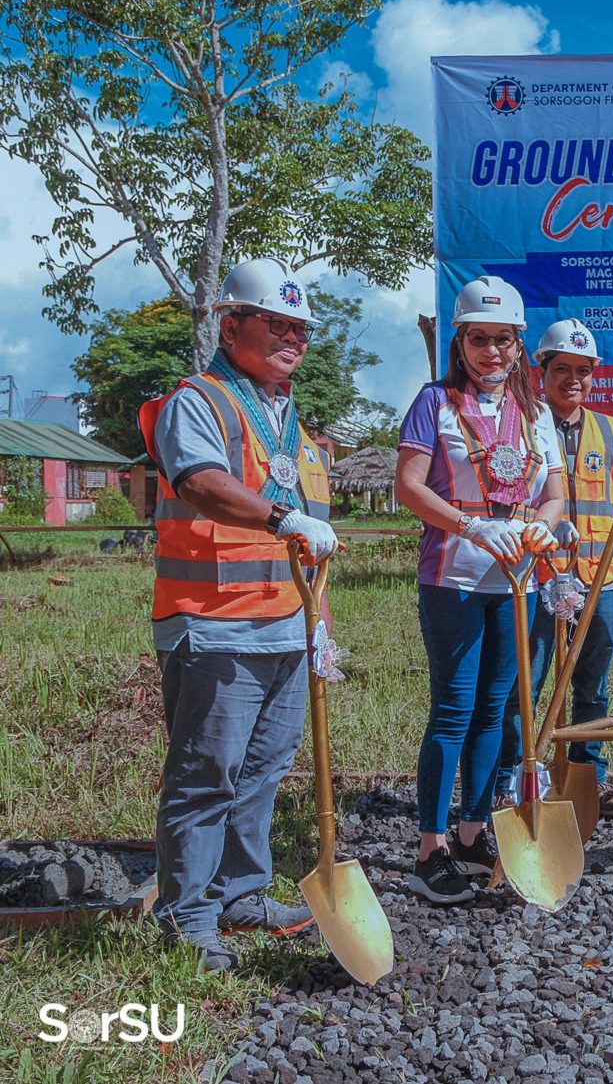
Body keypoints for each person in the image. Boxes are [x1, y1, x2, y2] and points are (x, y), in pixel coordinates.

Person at [139, 258, 340, 971]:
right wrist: (284, 515)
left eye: (300, 328)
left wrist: (321, 623)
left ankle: (239, 893)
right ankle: (187, 913)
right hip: (214, 621)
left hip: (286, 624)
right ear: (232, 326)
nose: (291, 337)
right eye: (275, 323)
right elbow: (202, 483)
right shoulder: (200, 401)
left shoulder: (296, 427)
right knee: (206, 772)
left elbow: (310, 543)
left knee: (261, 773)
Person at [395, 275, 565, 905]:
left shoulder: (537, 413)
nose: (492, 351)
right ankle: (430, 849)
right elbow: (409, 486)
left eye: (503, 339)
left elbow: (554, 494)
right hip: (455, 575)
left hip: (517, 577)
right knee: (454, 710)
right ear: (460, 341)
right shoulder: (433, 402)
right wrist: (472, 525)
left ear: (520, 344)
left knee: (497, 710)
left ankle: (472, 832)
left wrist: (543, 531)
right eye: (479, 339)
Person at [493, 318, 613, 819]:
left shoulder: (610, 430)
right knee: (525, 686)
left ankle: (587, 778)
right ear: (542, 371)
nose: (572, 379)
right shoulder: (517, 426)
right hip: (536, 577)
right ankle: (514, 776)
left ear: (594, 374)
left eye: (583, 370)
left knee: (592, 686)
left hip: (599, 581)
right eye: (561, 369)